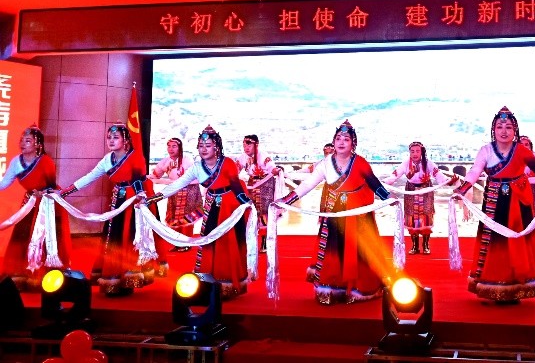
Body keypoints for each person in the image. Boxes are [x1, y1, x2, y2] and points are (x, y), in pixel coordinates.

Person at [455, 106, 535, 303]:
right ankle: (493, 283)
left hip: (518, 203)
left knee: (517, 242)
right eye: (500, 127)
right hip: (493, 200)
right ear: (494, 130)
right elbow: (475, 171)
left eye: (508, 127)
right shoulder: (486, 150)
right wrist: (463, 189)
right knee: (495, 242)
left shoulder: (522, 150)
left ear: (514, 130)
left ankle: (518, 285)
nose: (504, 131)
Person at [278, 120, 393, 305]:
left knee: (358, 253)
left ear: (353, 143)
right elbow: (308, 184)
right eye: (338, 138)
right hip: (334, 215)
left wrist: (389, 199)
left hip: (358, 217)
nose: (341, 142)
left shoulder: (360, 162)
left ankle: (358, 290)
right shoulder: (326, 164)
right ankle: (332, 290)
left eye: (346, 139)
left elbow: (373, 183)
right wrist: (285, 201)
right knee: (333, 251)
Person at [60, 123, 169, 296]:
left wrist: (140, 198)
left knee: (130, 237)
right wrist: (66, 191)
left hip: (136, 202)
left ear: (125, 141)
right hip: (118, 201)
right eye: (109, 137)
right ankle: (114, 276)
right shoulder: (107, 159)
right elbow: (90, 176)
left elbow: (138, 180)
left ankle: (130, 277)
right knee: (114, 236)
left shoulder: (135, 157)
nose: (111, 140)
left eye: (115, 137)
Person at [146, 126, 253, 299]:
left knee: (228, 243)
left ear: (216, 147)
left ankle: (228, 282)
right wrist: (152, 199)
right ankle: (209, 280)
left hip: (229, 207)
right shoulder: (197, 167)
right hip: (212, 206)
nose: (204, 149)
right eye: (201, 146)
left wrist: (246, 203)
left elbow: (235, 184)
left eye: (208, 146)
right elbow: (177, 184)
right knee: (209, 241)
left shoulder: (227, 163)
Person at [0, 126, 71, 292]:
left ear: (38, 144)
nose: (22, 144)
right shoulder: (16, 162)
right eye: (21, 140)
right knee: (22, 235)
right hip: (30, 203)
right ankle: (21, 274)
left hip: (48, 204)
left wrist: (43, 194)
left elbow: (51, 185)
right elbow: (4, 183)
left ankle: (44, 274)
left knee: (45, 238)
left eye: (27, 141)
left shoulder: (45, 161)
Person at [384, 141, 457, 255]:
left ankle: (426, 245)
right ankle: (415, 246)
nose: (415, 154)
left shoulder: (428, 163)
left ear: (421, 152)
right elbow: (394, 175)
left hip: (426, 190)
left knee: (426, 216)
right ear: (409, 152)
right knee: (411, 217)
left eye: (417, 151)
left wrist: (448, 181)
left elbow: (439, 175)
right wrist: (383, 183)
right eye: (412, 151)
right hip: (410, 191)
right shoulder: (405, 164)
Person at [149, 138, 203, 253]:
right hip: (174, 192)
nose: (171, 149)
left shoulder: (187, 160)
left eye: (174, 146)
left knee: (187, 218)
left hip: (189, 191)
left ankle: (186, 243)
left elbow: (194, 177)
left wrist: (169, 182)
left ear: (180, 148)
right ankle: (178, 243)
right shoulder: (165, 161)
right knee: (175, 219)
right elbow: (155, 175)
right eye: (169, 146)